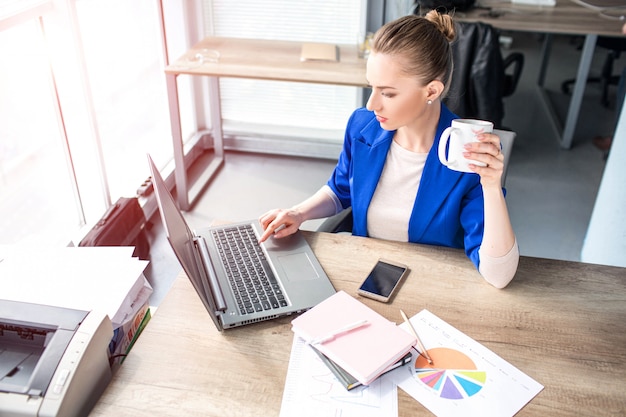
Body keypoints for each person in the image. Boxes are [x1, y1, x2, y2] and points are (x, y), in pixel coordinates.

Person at [258, 11, 519, 289]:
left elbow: (499, 276)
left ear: (431, 91)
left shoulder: (466, 155)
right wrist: (298, 213)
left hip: (430, 287)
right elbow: (341, 188)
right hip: (364, 275)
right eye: (372, 87)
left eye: (388, 93)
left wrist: (491, 188)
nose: (372, 105)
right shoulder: (362, 125)